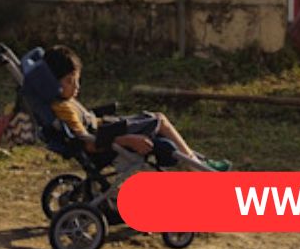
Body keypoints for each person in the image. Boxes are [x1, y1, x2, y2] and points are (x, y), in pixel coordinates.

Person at [41, 46, 230, 170]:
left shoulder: (64, 102)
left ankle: (198, 161)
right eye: (70, 81)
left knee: (159, 127)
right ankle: (198, 166)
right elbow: (88, 143)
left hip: (106, 128)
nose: (76, 87)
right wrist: (128, 140)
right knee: (159, 120)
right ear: (52, 82)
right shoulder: (64, 108)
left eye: (77, 81)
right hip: (110, 136)